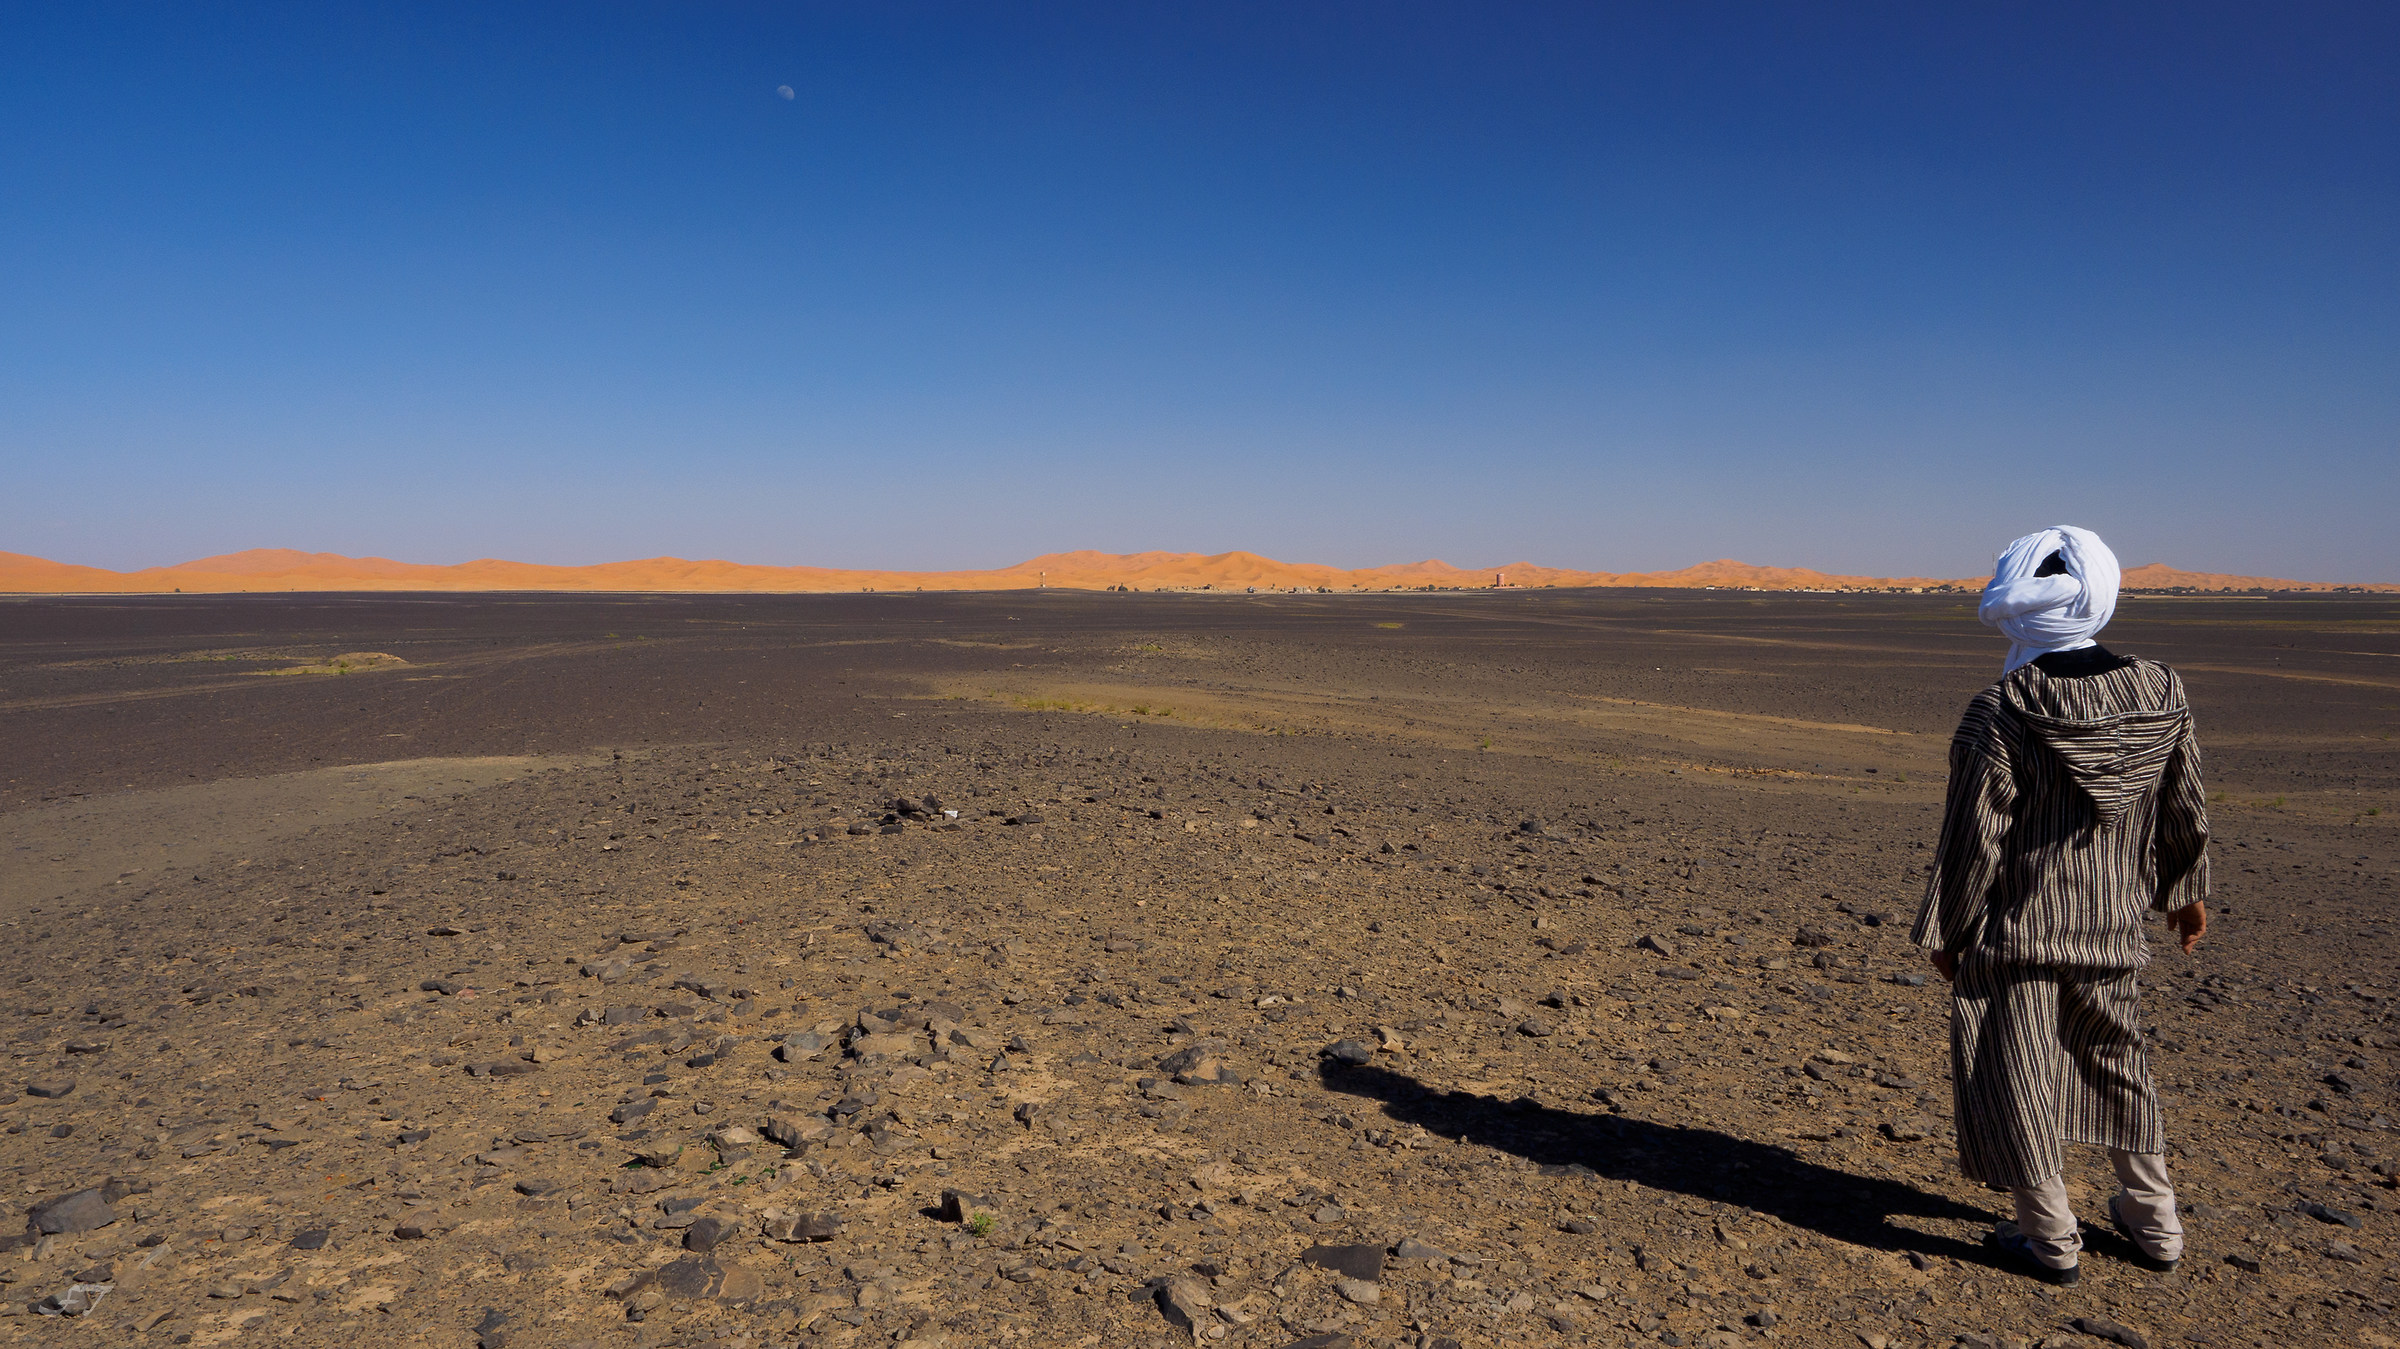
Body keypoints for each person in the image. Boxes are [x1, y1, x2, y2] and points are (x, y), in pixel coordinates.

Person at [1910, 525, 2210, 1284]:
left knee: (2016, 1075)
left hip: (2018, 932)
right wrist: (2185, 890)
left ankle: (2048, 1240)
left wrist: (1948, 931)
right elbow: (2183, 800)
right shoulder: (2162, 689)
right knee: (2118, 1065)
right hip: (2113, 925)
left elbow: (1971, 838)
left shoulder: (2001, 708)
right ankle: (2157, 1226)